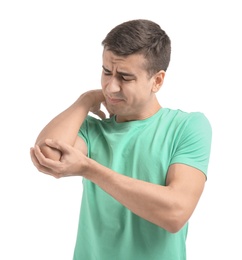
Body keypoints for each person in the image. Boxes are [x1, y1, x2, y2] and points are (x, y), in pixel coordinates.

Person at [30, 19, 212, 260]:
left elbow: (175, 212)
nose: (110, 87)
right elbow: (47, 155)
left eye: (125, 78)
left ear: (157, 81)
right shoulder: (92, 130)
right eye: (106, 72)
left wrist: (89, 169)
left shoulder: (187, 127)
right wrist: (86, 100)